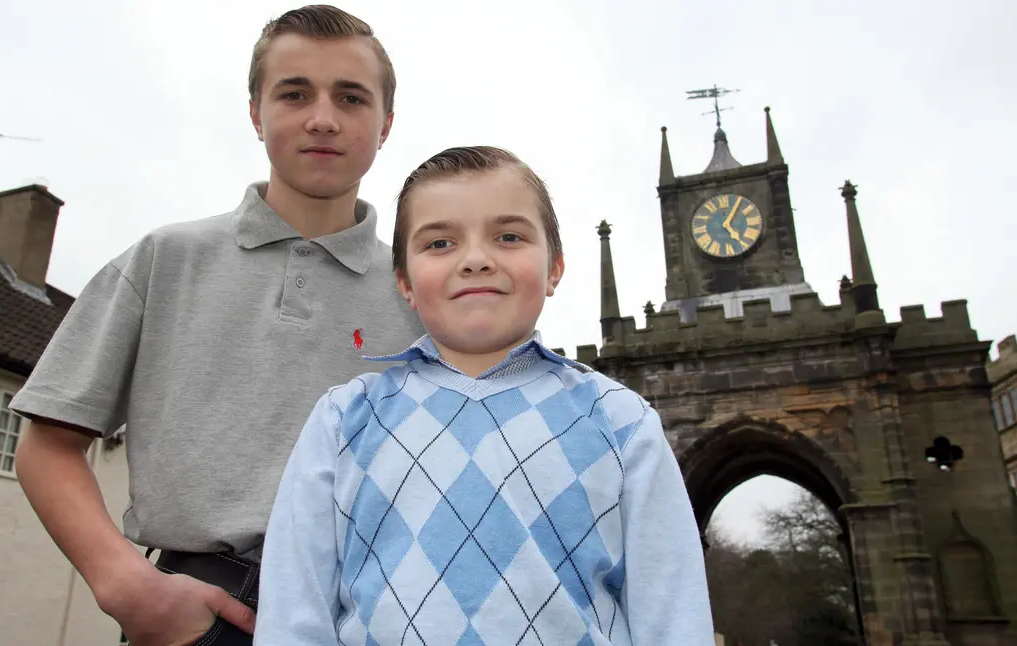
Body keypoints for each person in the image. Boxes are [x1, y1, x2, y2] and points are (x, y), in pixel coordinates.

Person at [9, 5, 423, 646]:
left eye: (351, 96)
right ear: (256, 113)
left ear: (385, 123)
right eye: (294, 93)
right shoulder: (164, 258)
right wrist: (124, 585)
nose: (322, 117)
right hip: (205, 615)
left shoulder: (419, 290)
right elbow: (49, 445)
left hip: (381, 616)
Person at [255, 146, 715, 645]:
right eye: (439, 243)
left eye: (509, 236)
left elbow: (673, 617)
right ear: (404, 282)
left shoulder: (623, 422)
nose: (475, 259)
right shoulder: (343, 421)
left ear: (555, 267)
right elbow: (292, 616)